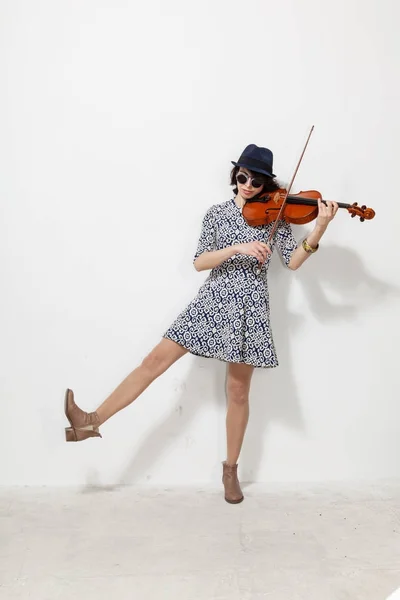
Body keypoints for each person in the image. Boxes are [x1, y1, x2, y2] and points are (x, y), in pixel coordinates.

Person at [64, 144, 338, 504]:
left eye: (256, 180)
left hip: (249, 309)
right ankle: (91, 421)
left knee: (238, 392)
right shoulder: (217, 214)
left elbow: (293, 262)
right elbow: (199, 262)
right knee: (153, 362)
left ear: (266, 183)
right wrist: (237, 249)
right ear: (234, 175)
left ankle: (230, 470)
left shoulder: (278, 218)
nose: (248, 185)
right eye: (243, 176)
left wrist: (319, 227)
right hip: (211, 303)